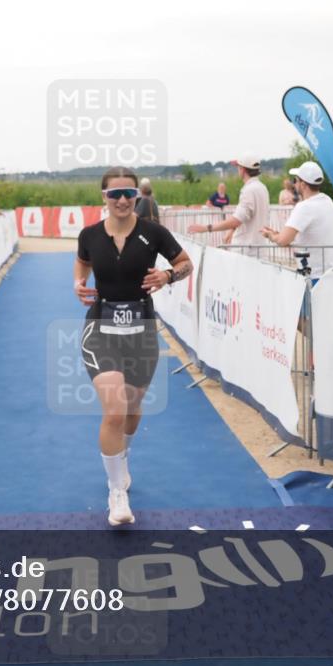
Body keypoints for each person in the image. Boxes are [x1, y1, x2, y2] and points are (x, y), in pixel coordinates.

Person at [75, 166, 193, 527]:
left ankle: (122, 458)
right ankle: (117, 493)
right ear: (104, 198)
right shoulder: (90, 234)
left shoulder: (153, 232)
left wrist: (168, 275)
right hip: (100, 328)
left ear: (138, 197)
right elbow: (82, 263)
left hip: (141, 329)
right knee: (114, 410)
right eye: (115, 194)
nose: (123, 200)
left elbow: (186, 263)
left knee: (132, 408)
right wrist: (79, 283)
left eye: (129, 193)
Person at [260, 161, 333, 279]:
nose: (294, 184)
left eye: (295, 180)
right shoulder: (327, 201)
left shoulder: (304, 207)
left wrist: (271, 236)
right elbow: (311, 237)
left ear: (303, 184)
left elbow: (283, 240)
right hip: (332, 274)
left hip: (314, 276)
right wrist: (278, 235)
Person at [187, 153, 269, 251]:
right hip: (258, 247)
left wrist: (206, 228)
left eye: (238, 167)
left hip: (246, 249)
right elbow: (244, 216)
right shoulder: (262, 187)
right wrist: (232, 230)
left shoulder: (249, 190)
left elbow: (237, 220)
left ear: (242, 169)